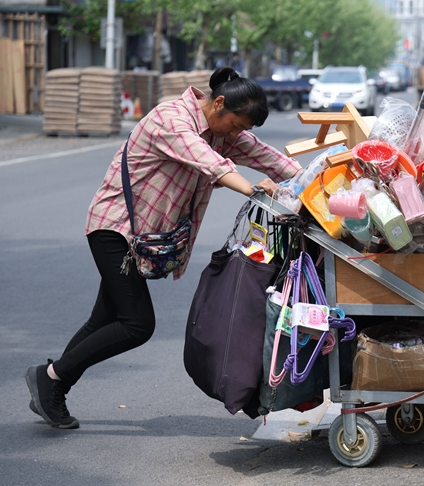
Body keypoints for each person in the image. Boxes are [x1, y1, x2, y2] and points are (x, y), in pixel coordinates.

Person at [25, 67, 301, 429]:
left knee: (104, 320)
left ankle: (51, 386)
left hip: (142, 236)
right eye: (236, 124)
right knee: (137, 324)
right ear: (218, 103)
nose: (238, 134)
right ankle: (50, 377)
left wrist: (312, 182)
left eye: (243, 130)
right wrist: (257, 191)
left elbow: (272, 159)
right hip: (117, 227)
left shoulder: (223, 132)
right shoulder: (171, 120)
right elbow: (211, 165)